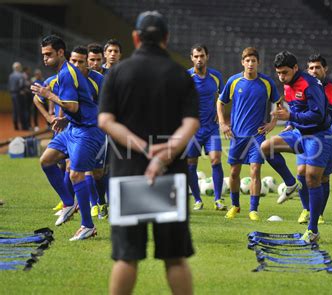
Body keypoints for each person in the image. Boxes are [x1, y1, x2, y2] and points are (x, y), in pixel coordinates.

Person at [98, 11, 199, 295]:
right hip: (170, 176)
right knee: (174, 257)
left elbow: (105, 121)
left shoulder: (118, 72)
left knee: (127, 256)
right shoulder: (180, 74)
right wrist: (165, 152)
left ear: (136, 37)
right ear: (166, 39)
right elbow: (191, 122)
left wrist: (142, 148)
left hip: (128, 174)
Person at [31, 35, 104, 241]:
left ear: (61, 53)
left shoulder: (67, 74)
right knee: (46, 160)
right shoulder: (62, 73)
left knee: (77, 175)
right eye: (43, 55)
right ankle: (68, 202)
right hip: (73, 128)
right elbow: (71, 107)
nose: (45, 58)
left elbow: (73, 106)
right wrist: (56, 117)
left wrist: (49, 95)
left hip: (89, 130)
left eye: (49, 54)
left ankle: (87, 226)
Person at [261, 51, 332, 243]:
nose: (281, 77)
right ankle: (291, 184)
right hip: (299, 133)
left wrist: (291, 117)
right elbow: (297, 110)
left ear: (295, 68)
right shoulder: (288, 85)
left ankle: (313, 230)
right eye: (278, 73)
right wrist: (291, 122)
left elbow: (317, 115)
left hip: (317, 136)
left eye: (284, 72)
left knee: (312, 178)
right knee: (266, 147)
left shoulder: (310, 85)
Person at [217, 47, 279, 221]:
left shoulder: (267, 83)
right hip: (237, 136)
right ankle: (235, 206)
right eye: (247, 61)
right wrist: (222, 123)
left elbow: (279, 104)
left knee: (255, 170)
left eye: (253, 61)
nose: (250, 64)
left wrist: (273, 123)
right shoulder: (234, 81)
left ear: (258, 62)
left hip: (257, 136)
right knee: (234, 173)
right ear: (242, 62)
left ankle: (253, 209)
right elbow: (220, 102)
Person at [292, 53, 332, 224]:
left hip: (325, 137)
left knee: (323, 177)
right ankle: (306, 209)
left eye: (318, 67)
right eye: (311, 68)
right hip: (306, 136)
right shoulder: (304, 87)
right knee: (301, 171)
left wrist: (330, 134)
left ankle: (319, 213)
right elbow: (300, 111)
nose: (314, 71)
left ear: (325, 69)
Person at [185, 44, 226, 211]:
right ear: (192, 58)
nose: (199, 59)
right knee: (191, 163)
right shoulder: (186, 77)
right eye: (196, 56)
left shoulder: (216, 76)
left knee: (216, 159)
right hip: (193, 129)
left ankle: (218, 200)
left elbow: (223, 99)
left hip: (211, 128)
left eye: (202, 56)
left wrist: (220, 114)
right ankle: (197, 200)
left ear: (207, 56)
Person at [69, 45, 108, 219]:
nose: (77, 65)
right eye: (74, 61)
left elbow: (106, 104)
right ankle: (87, 205)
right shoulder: (66, 77)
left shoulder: (98, 79)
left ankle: (101, 202)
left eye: (81, 62)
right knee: (78, 169)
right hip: (76, 130)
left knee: (98, 172)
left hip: (96, 129)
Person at [8, 62, 27, 130]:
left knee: (15, 110)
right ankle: (23, 126)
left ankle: (16, 126)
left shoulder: (10, 75)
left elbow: (9, 85)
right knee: (21, 110)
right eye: (19, 67)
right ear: (17, 68)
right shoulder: (21, 75)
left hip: (13, 94)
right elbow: (22, 85)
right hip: (19, 94)